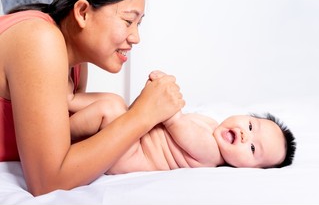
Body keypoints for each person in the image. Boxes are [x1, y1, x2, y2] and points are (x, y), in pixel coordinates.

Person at [0, 0, 184, 196]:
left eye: (138, 24)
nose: (135, 38)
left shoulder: (75, 63)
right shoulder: (40, 40)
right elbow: (47, 182)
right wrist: (142, 116)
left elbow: (60, 147)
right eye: (128, 21)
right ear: (83, 12)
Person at [107, 73, 296, 174]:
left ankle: (75, 116)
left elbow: (175, 122)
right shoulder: (212, 125)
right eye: (251, 126)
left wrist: (162, 89)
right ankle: (74, 105)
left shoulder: (212, 153)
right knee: (113, 104)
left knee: (110, 108)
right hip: (134, 138)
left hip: (130, 154)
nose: (246, 135)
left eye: (253, 148)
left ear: (250, 169)